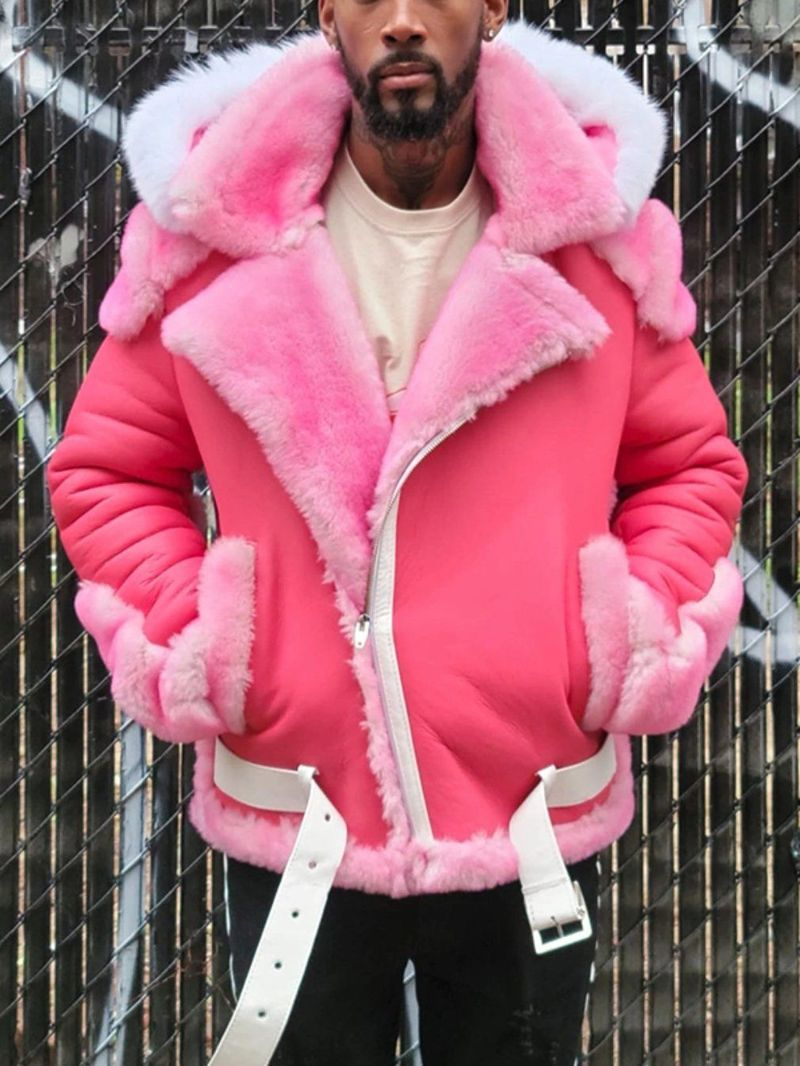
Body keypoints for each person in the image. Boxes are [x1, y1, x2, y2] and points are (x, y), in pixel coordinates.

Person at [45, 1, 749, 1063]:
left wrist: (625, 635)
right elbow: (108, 466)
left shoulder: (595, 241)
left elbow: (688, 464)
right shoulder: (210, 236)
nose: (404, 19)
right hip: (298, 814)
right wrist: (204, 639)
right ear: (328, 11)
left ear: (493, 8)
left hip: (529, 815)